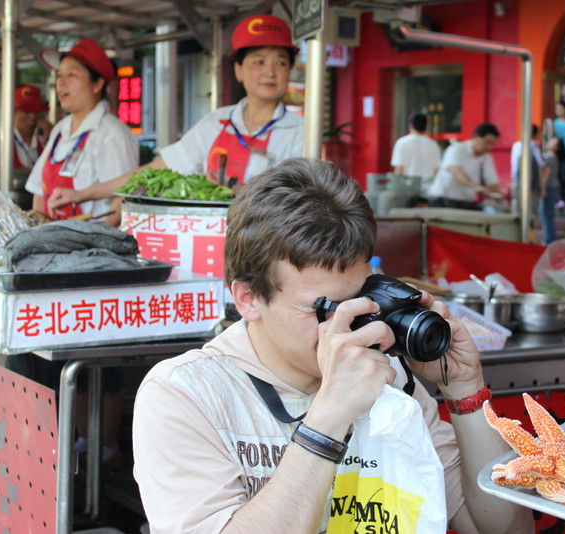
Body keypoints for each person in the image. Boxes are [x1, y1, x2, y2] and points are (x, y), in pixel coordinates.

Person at [132, 158, 531, 533]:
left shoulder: (389, 378)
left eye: (359, 301)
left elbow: (499, 528)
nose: (347, 327)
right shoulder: (185, 393)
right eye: (322, 308)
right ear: (248, 298)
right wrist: (328, 417)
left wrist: (465, 393)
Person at [47, 14, 303, 214]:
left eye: (280, 62)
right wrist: (81, 195)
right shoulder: (217, 123)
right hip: (210, 243)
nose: (270, 72)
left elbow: (303, 203)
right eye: (258, 61)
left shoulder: (300, 131)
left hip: (268, 251)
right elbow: (158, 168)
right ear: (238, 70)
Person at [24, 38, 138, 226]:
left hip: (90, 247)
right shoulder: (60, 130)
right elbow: (39, 191)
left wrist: (85, 241)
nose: (61, 82)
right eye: (59, 75)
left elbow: (123, 199)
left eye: (72, 75)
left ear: (97, 84)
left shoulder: (112, 134)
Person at [427, 122, 502, 210]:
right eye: (487, 142)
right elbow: (456, 172)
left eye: (492, 144)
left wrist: (500, 199)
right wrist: (476, 187)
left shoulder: (486, 158)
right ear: (476, 137)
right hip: (443, 200)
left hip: (465, 202)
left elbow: (492, 182)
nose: (489, 147)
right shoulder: (457, 149)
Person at [0, 85, 52, 170]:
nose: (32, 116)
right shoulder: (0, 143)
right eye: (26, 111)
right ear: (13, 112)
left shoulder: (42, 140)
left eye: (36, 112)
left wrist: (49, 144)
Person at [391, 112, 441, 181]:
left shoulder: (402, 142)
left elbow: (399, 169)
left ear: (410, 125)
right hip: (428, 187)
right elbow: (436, 170)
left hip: (407, 187)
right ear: (426, 126)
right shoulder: (433, 144)